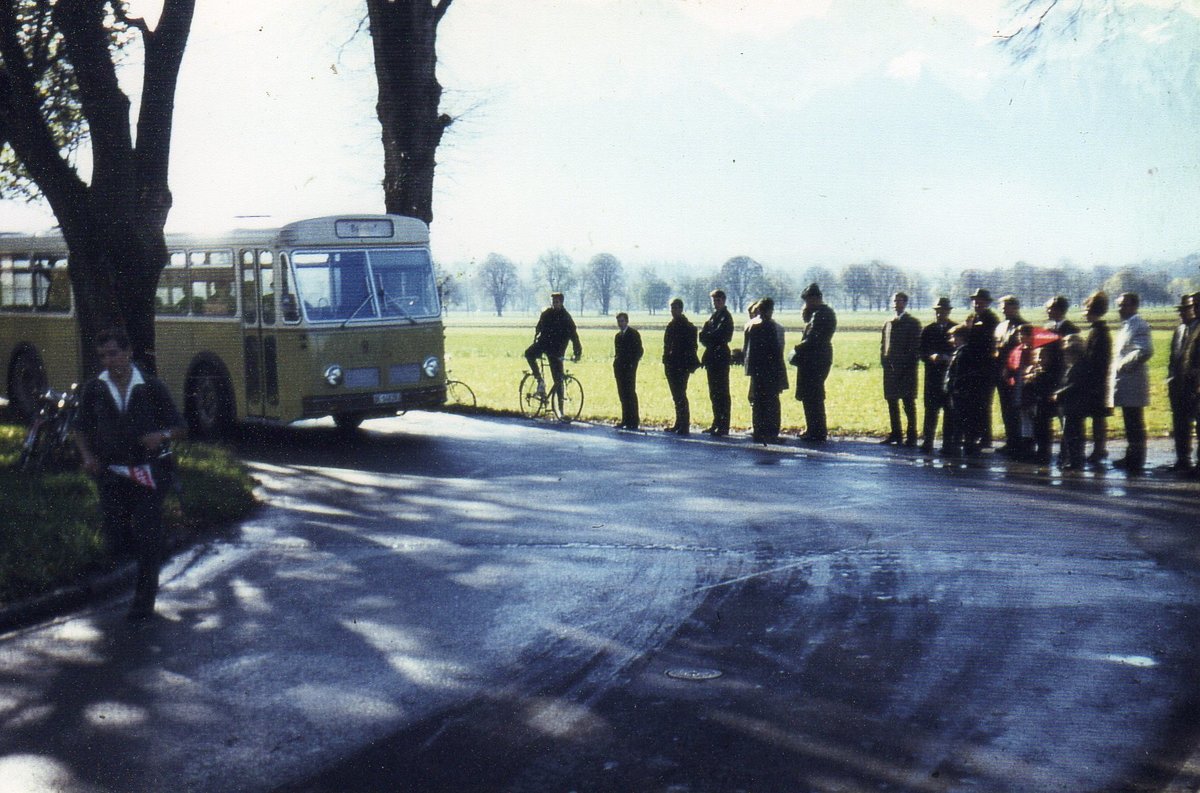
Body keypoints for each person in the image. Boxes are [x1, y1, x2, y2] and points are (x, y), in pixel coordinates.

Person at [73, 328, 187, 621]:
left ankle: (143, 601)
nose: (109, 361)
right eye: (103, 356)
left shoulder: (150, 387)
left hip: (149, 472)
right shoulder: (94, 389)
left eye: (114, 353)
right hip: (112, 473)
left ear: (128, 353)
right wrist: (87, 457)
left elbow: (179, 426)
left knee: (147, 531)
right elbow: (80, 429)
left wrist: (160, 435)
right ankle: (149, 554)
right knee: (117, 536)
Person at [1057, 291, 1112, 470]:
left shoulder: (1098, 333)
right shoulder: (1098, 331)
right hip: (1094, 382)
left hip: (1092, 383)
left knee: (1090, 419)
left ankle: (1095, 452)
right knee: (1095, 418)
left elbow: (1094, 362)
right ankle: (1096, 451)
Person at [1109, 292, 1154, 474]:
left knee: (1134, 422)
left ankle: (1136, 460)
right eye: (1119, 305)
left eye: (1124, 305)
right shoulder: (1128, 325)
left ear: (1134, 306)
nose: (1120, 308)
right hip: (1127, 381)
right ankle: (1132, 457)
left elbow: (1145, 350)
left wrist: (1122, 365)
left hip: (1133, 381)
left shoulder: (1138, 325)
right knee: (1130, 421)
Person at [791, 283, 837, 442]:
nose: (806, 304)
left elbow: (813, 338)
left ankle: (816, 429)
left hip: (815, 358)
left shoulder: (820, 314)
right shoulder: (822, 313)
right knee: (812, 394)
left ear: (816, 298)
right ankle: (814, 428)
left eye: (808, 300)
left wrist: (796, 349)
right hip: (818, 357)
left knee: (813, 395)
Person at [879, 291, 921, 445]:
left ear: (905, 303)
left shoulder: (912, 323)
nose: (897, 303)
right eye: (895, 301)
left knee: (908, 403)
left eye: (900, 301)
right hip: (890, 370)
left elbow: (915, 348)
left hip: (906, 370)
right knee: (892, 402)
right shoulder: (888, 323)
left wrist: (903, 365)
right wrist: (884, 361)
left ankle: (911, 436)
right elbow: (883, 345)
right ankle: (895, 433)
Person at [524, 292, 582, 402]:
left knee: (558, 379)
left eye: (557, 302)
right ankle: (539, 380)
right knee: (529, 353)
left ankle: (560, 409)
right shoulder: (546, 314)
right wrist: (537, 336)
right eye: (553, 302)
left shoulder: (566, 318)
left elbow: (574, 336)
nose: (554, 304)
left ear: (561, 302)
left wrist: (577, 352)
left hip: (557, 350)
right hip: (543, 344)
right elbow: (538, 328)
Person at [746, 298, 786, 443]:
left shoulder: (752, 326)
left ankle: (758, 431)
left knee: (758, 402)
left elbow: (748, 350)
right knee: (772, 402)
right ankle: (772, 432)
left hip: (756, 371)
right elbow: (776, 351)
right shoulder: (770, 326)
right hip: (771, 371)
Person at [918, 297, 954, 453]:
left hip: (950, 375)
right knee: (931, 410)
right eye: (938, 311)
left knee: (949, 411)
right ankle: (928, 440)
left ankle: (948, 443)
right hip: (932, 375)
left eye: (943, 311)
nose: (940, 314)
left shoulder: (956, 329)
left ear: (948, 311)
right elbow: (921, 351)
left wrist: (948, 358)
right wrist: (931, 356)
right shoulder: (928, 329)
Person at [965, 288, 1000, 448]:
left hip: (985, 368)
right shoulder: (971, 318)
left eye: (980, 301)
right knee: (972, 404)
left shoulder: (991, 320)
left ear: (987, 303)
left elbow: (988, 343)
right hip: (971, 367)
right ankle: (973, 434)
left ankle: (985, 437)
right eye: (974, 300)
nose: (977, 303)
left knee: (983, 404)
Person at [1167, 294, 1198, 473]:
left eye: (1185, 310)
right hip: (1178, 383)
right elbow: (1174, 357)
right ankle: (1182, 459)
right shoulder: (1179, 330)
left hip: (1193, 383)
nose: (1182, 314)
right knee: (1179, 422)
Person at [994, 295, 1027, 455]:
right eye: (1002, 306)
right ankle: (1011, 440)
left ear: (1015, 307)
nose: (1003, 309)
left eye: (1006, 306)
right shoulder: (1001, 326)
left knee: (1016, 407)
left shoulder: (1023, 326)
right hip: (1001, 372)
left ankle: (1020, 442)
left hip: (1016, 372)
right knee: (1006, 408)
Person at [699, 289, 734, 436]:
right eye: (714, 300)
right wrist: (709, 336)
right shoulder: (714, 317)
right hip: (712, 358)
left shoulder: (726, 317)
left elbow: (722, 336)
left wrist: (709, 336)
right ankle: (716, 422)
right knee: (713, 393)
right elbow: (702, 336)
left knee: (722, 393)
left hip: (720, 358)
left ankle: (724, 425)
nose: (716, 303)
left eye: (718, 300)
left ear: (724, 300)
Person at [662, 298, 700, 435]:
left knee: (680, 394)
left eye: (676, 308)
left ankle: (684, 425)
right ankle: (679, 423)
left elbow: (692, 347)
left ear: (681, 309)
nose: (673, 311)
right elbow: (666, 345)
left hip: (681, 366)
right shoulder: (671, 325)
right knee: (676, 395)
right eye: (672, 308)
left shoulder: (687, 326)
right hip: (671, 365)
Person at [612, 312, 643, 430]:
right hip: (619, 369)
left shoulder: (634, 334)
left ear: (627, 321)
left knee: (630, 393)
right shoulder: (618, 336)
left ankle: (634, 421)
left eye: (622, 321)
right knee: (622, 395)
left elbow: (639, 351)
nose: (620, 323)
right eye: (619, 321)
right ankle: (625, 419)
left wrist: (632, 364)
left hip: (629, 369)